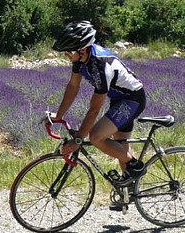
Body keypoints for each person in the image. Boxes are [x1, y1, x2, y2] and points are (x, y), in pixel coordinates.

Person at [49, 20, 147, 188]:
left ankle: (137, 166)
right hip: (118, 100)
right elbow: (73, 86)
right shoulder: (80, 60)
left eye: (68, 51)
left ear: (82, 49)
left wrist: (78, 140)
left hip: (132, 99)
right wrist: (59, 115)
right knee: (121, 149)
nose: (66, 55)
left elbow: (94, 110)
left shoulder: (100, 67)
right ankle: (130, 194)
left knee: (95, 136)